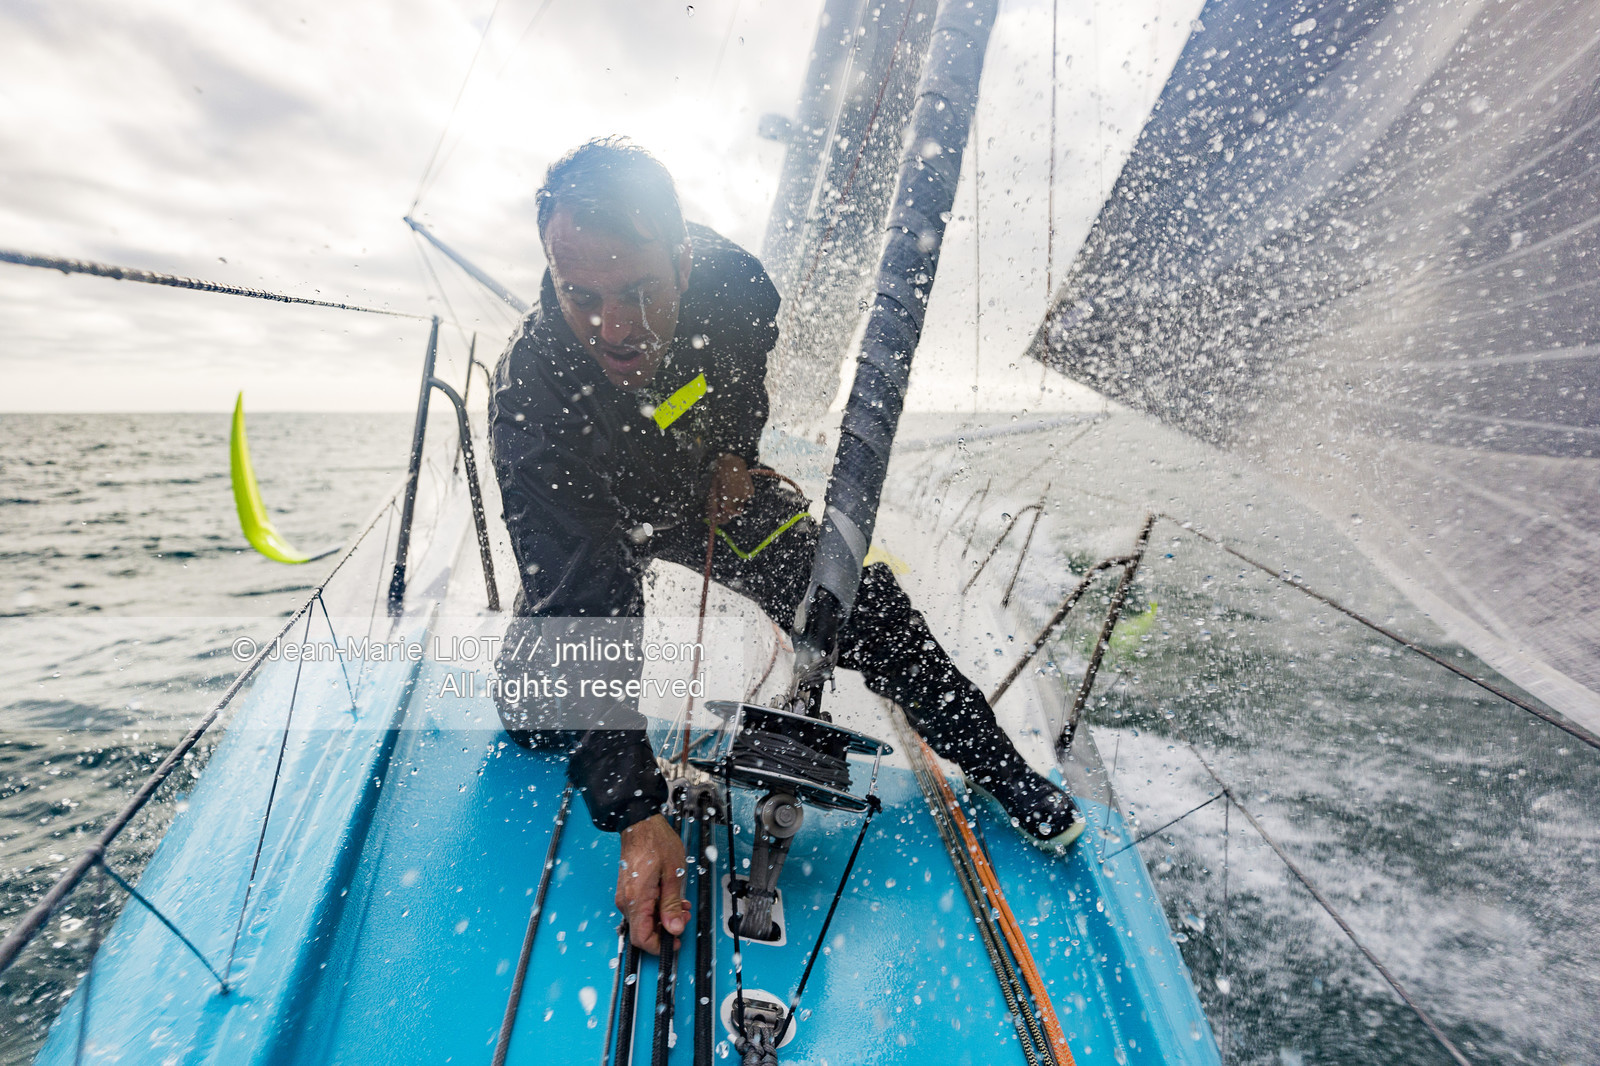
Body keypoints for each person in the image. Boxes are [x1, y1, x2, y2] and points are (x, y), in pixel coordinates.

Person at [489, 137, 1084, 958]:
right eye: (578, 293)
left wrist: (733, 446)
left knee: (846, 602)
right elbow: (582, 600)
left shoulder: (734, 284)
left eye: (637, 291)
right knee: (538, 717)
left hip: (703, 486)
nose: (613, 328)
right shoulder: (530, 398)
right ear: (550, 270)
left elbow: (743, 364)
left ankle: (999, 763)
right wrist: (635, 814)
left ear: (684, 260)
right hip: (590, 516)